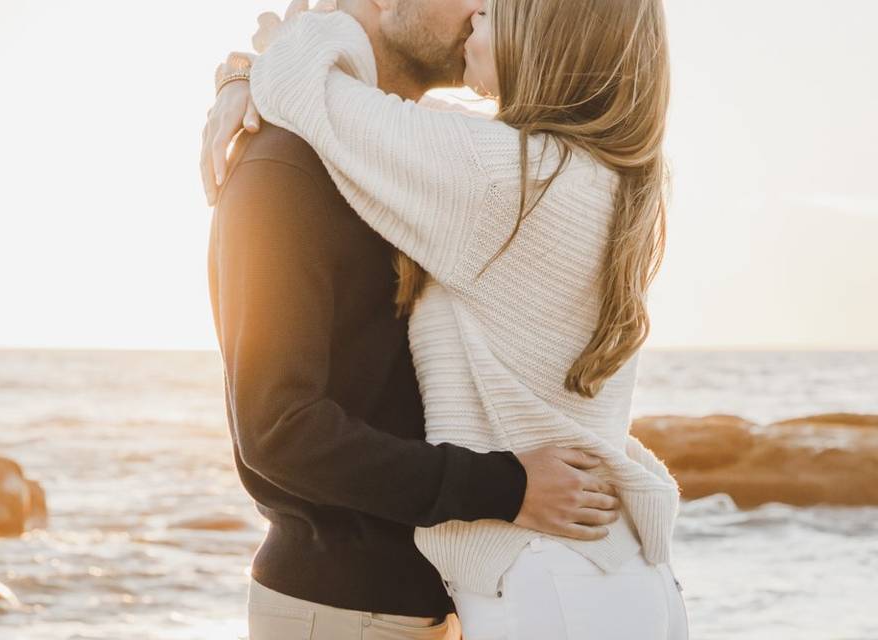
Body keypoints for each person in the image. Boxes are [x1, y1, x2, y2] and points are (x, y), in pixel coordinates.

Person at [203, 0, 691, 637]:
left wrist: (248, 71)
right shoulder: (554, 169)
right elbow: (279, 430)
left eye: (499, 10)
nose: (480, 10)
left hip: (547, 585)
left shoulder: (496, 176)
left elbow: (301, 82)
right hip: (555, 582)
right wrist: (244, 73)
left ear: (542, 42)